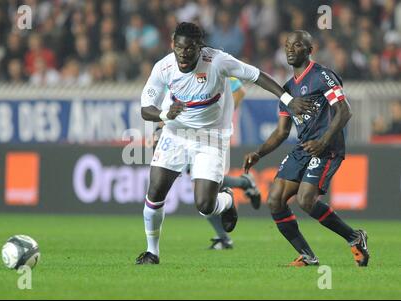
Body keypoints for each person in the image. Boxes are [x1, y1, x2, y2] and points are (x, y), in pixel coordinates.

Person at [137, 22, 312, 265]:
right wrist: (165, 116)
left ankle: (227, 199)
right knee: (155, 192)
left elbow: (257, 75)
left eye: (189, 49)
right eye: (178, 48)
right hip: (176, 135)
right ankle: (152, 252)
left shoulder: (218, 61)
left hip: (211, 138)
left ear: (200, 47)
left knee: (205, 206)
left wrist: (287, 98)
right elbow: (146, 109)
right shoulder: (163, 67)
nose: (183, 54)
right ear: (172, 45)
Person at [243, 30, 370, 267]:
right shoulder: (287, 89)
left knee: (306, 200)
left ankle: (354, 237)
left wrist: (323, 140)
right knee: (275, 200)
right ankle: (308, 256)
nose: (290, 49)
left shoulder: (323, 76)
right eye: (287, 45)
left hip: (327, 147)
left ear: (309, 50)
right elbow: (282, 131)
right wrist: (259, 153)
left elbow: (345, 111)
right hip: (304, 148)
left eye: (298, 45)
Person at [148, 77, 261, 251]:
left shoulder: (211, 68)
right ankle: (246, 184)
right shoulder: (170, 72)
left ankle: (245, 186)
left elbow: (239, 90)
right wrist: (159, 130)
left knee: (204, 186)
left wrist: (224, 116)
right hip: (181, 138)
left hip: (208, 136)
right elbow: (171, 109)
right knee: (203, 186)